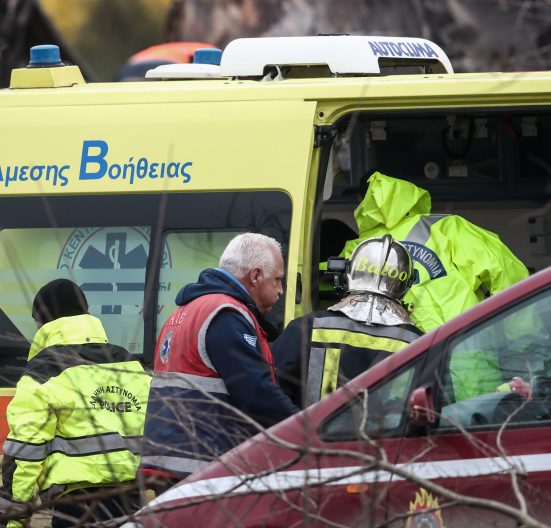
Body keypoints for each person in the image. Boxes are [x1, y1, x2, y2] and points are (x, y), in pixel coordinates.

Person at [140, 233, 299, 491]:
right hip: (203, 468)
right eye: (278, 280)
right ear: (256, 275)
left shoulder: (185, 311)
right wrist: (307, 428)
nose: (281, 290)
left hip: (172, 463)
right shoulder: (226, 314)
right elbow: (256, 393)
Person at [0, 279, 150, 528]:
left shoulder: (43, 372)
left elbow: (24, 455)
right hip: (132, 503)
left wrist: (12, 523)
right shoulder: (131, 365)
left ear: (43, 323)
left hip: (77, 509)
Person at [340, 171, 528, 332]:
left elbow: (323, 286)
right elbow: (505, 272)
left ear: (367, 200)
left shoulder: (358, 249)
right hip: (464, 353)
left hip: (394, 359)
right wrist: (521, 338)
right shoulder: (446, 227)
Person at [273, 236, 423, 408]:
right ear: (406, 284)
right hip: (386, 435)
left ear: (347, 274)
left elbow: (268, 390)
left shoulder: (307, 328)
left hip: (310, 434)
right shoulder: (421, 343)